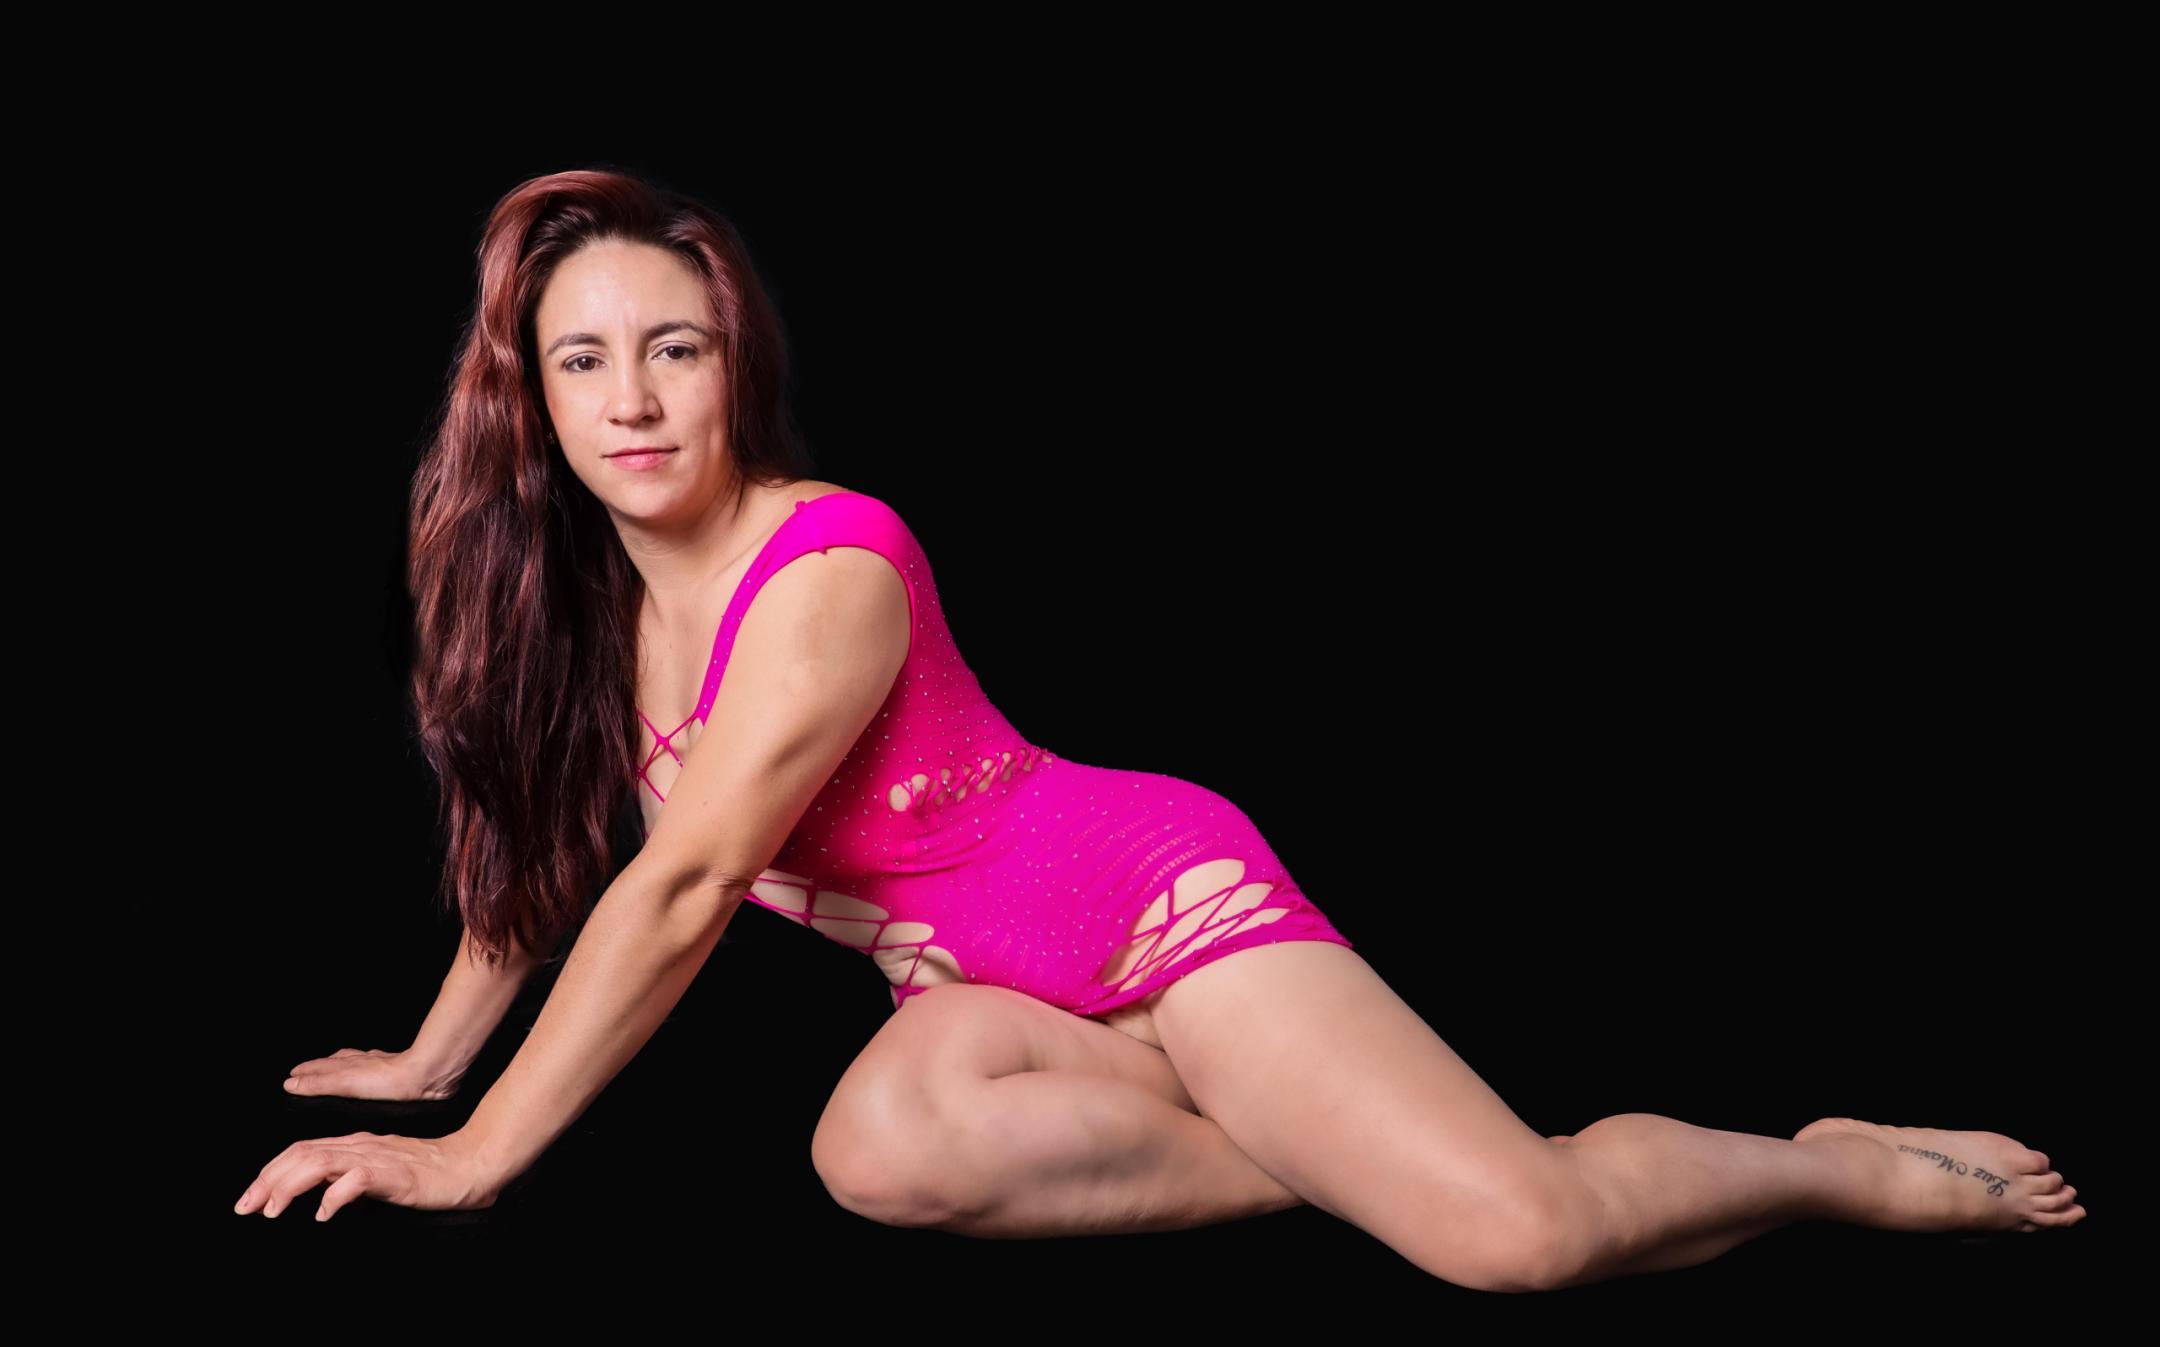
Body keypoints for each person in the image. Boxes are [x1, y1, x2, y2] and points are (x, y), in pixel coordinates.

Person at [232, 167, 2086, 1290]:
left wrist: (479, 1155)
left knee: (1520, 1236)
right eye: (584, 358)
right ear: (530, 395)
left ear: (735, 370)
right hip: (988, 1001)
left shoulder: (830, 567)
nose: (633, 399)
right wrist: (427, 1059)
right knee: (877, 1157)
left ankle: (1834, 1164)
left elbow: (687, 880)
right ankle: (1359, 1160)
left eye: (676, 349)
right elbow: (553, 854)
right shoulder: (587, 609)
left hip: (1142, 906)